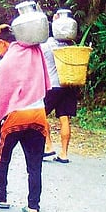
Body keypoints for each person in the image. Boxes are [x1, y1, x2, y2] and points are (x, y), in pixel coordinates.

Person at [0, 24, 51, 212]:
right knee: (35, 164)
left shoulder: (6, 62)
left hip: (16, 117)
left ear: (3, 42)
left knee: (2, 158)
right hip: (38, 114)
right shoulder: (36, 54)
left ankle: (1, 196)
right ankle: (33, 207)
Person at [40, 14, 77, 163]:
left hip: (52, 87)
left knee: (41, 116)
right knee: (64, 119)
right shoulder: (72, 48)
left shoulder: (47, 45)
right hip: (68, 86)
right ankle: (64, 154)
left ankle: (48, 146)